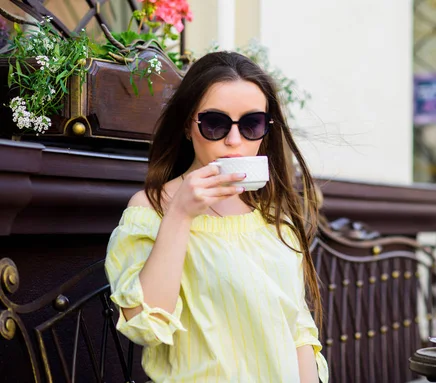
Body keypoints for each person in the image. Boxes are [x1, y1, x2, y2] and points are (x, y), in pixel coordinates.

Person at [105, 51, 328, 383]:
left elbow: (297, 332)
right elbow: (145, 325)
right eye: (215, 124)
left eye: (252, 124)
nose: (234, 141)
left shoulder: (274, 219)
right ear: (187, 125)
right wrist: (180, 214)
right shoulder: (151, 209)